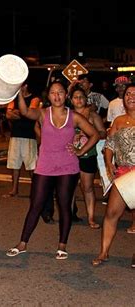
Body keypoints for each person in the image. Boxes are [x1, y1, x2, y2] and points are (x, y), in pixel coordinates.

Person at [6, 81, 99, 260]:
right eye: (53, 93)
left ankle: (62, 245)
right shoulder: (42, 114)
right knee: (36, 205)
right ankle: (22, 243)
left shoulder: (74, 117)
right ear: (48, 96)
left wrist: (81, 151)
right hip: (45, 167)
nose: (57, 96)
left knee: (64, 206)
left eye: (60, 92)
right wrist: (19, 93)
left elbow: (94, 134)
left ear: (66, 95)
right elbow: (25, 112)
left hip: (67, 167)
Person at [92, 83, 135, 266]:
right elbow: (109, 145)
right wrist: (109, 163)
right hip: (124, 172)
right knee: (111, 213)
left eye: (134, 93)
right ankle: (104, 252)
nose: (130, 96)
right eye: (127, 94)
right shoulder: (118, 120)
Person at [69, 86, 106, 229]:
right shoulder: (67, 115)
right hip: (70, 155)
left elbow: (102, 133)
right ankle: (69, 215)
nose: (79, 99)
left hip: (88, 155)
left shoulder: (93, 115)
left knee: (88, 187)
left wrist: (90, 132)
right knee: (69, 187)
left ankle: (91, 218)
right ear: (71, 100)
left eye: (81, 97)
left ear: (86, 99)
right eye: (75, 97)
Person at [2, 82, 40, 198]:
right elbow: (8, 115)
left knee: (32, 165)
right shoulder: (13, 99)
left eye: (20, 86)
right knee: (14, 164)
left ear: (26, 86)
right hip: (16, 135)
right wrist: (19, 114)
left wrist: (19, 113)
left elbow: (29, 113)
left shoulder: (34, 99)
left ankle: (37, 190)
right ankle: (14, 190)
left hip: (29, 135)